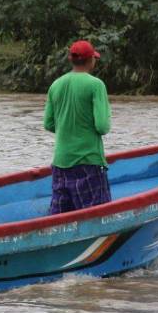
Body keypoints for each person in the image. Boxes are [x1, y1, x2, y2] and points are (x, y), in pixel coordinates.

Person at [43, 39, 112, 214]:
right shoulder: (96, 85)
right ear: (91, 60)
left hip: (60, 163)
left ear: (71, 60)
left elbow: (48, 123)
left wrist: (68, 127)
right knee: (97, 216)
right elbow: (102, 126)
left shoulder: (55, 85)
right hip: (88, 161)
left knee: (60, 220)